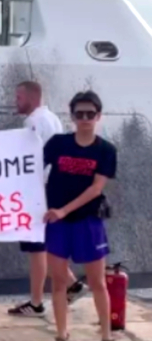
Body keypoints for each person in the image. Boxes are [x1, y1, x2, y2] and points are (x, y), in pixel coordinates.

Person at [9, 81, 88, 317]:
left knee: (37, 248)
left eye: (19, 97)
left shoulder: (33, 123)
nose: (16, 101)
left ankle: (36, 302)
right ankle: (72, 284)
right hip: (51, 188)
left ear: (31, 98)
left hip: (38, 190)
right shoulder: (51, 119)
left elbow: (29, 161)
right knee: (42, 246)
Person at [44, 91, 117, 341]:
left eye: (90, 114)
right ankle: (62, 332)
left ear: (98, 116)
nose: (85, 118)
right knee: (59, 282)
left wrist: (64, 209)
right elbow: (28, 165)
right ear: (72, 116)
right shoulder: (57, 143)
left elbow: (96, 188)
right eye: (79, 114)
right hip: (56, 222)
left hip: (88, 221)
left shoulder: (106, 150)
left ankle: (106, 334)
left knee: (98, 283)